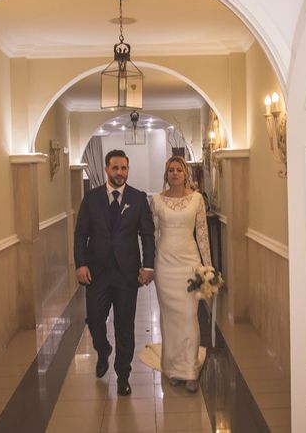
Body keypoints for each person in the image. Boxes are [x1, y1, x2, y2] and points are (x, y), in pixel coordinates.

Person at [73, 149, 156, 396]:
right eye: (115, 168)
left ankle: (123, 375)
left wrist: (148, 266)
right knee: (95, 321)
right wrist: (80, 263)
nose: (120, 173)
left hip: (126, 274)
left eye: (124, 168)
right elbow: (80, 233)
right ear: (107, 170)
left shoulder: (138, 198)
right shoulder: (91, 198)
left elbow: (147, 235)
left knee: (124, 326)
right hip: (96, 272)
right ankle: (103, 350)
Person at [149, 155, 212, 393]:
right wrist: (148, 266)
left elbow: (203, 234)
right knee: (170, 319)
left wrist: (208, 268)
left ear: (186, 174)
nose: (175, 173)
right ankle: (173, 368)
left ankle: (190, 370)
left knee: (188, 317)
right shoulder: (156, 201)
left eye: (179, 170)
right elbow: (152, 235)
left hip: (189, 264)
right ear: (166, 175)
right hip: (165, 265)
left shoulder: (197, 199)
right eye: (171, 170)